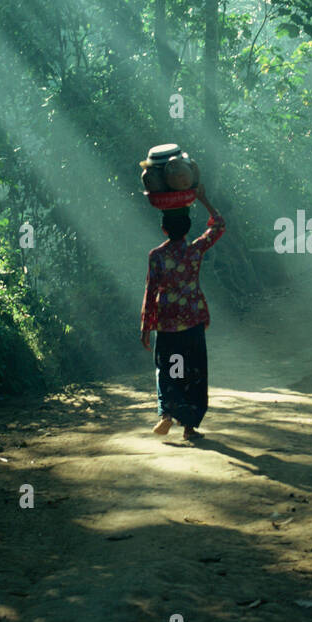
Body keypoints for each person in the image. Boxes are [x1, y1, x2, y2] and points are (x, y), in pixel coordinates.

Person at [140, 185, 224, 439]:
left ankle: (167, 413)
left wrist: (145, 327)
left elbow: (150, 290)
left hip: (167, 324)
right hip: (193, 319)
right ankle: (189, 427)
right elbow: (218, 226)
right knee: (193, 371)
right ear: (187, 229)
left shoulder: (157, 256)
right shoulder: (195, 250)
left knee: (170, 368)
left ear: (164, 229)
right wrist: (204, 198)